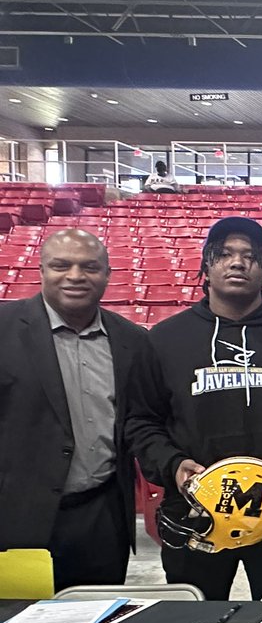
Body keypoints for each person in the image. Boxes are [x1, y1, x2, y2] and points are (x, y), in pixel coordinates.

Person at [126, 217, 262, 600]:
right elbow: (141, 421)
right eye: (224, 255)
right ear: (206, 268)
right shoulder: (166, 339)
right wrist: (173, 465)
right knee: (194, 620)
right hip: (195, 512)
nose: (238, 263)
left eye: (250, 256)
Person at [0, 229, 150, 591]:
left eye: (90, 267)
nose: (75, 276)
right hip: (17, 518)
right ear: (41, 270)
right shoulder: (3, 329)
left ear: (108, 274)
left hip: (101, 516)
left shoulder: (132, 340)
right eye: (61, 265)